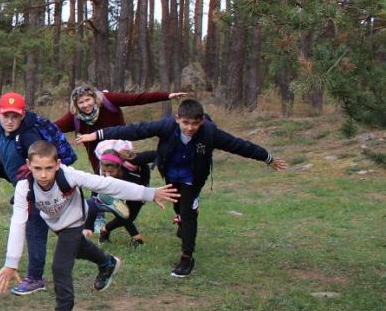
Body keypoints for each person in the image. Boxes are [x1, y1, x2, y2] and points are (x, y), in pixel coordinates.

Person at [0, 141, 180, 311]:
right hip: (56, 222)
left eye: (49, 168)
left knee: (60, 267)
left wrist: (149, 193)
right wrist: (11, 263)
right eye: (37, 168)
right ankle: (107, 263)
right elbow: (18, 222)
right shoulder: (24, 187)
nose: (43, 174)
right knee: (78, 247)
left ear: (58, 164)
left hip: (75, 219)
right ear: (29, 165)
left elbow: (106, 184)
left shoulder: (69, 175)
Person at [78, 98, 288, 278]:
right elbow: (135, 130)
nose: (190, 127)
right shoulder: (166, 126)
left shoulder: (210, 132)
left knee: (187, 213)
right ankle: (182, 218)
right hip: (171, 173)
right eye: (185, 122)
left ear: (202, 121)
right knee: (179, 207)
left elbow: (239, 145)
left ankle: (187, 258)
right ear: (178, 118)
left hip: (192, 177)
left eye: (195, 123)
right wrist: (98, 135)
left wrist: (267, 157)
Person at [0, 92, 77, 295]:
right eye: (5, 115)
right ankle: (105, 261)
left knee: (35, 230)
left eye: (14, 116)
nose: (9, 120)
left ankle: (35, 278)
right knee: (63, 231)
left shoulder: (28, 136)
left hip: (38, 190)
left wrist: (35, 186)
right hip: (27, 189)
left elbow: (43, 161)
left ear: (22, 115)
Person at [54, 86, 189, 171]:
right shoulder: (74, 116)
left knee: (130, 174)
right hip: (99, 159)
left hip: (121, 149)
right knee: (104, 186)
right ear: (76, 105)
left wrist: (166, 96)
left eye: (88, 100)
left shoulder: (107, 100)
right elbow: (53, 127)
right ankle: (102, 208)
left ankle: (163, 156)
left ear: (94, 98)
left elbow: (137, 99)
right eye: (80, 102)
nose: (85, 105)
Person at [83, 139, 156, 246]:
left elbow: (139, 191)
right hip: (117, 186)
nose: (107, 175)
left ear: (119, 166)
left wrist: (145, 195)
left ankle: (105, 229)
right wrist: (88, 226)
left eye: (111, 172)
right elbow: (94, 200)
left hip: (138, 184)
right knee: (120, 209)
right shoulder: (101, 169)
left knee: (131, 216)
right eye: (104, 172)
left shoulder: (132, 173)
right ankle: (134, 237)